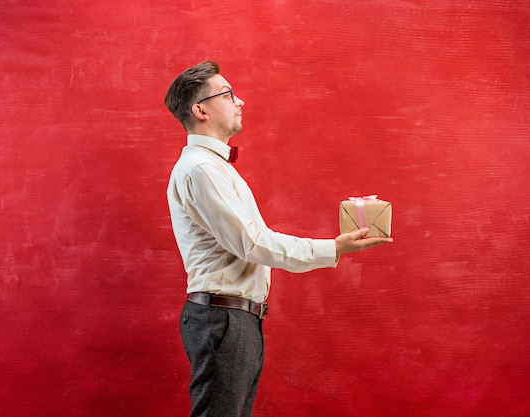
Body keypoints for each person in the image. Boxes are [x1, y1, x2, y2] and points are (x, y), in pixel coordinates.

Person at [164, 61, 393, 417]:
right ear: (201, 109)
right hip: (223, 320)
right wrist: (334, 248)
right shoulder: (202, 169)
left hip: (234, 320)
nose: (241, 101)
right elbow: (253, 244)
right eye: (228, 94)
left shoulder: (213, 167)